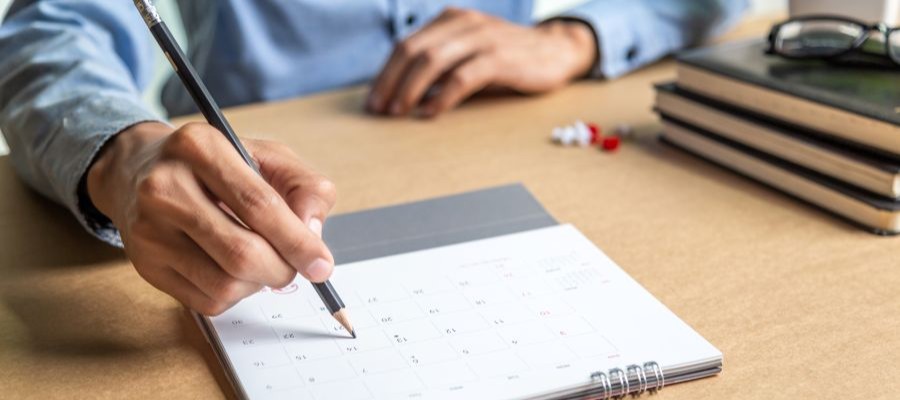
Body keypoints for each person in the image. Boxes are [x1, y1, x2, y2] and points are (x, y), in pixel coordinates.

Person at [0, 0, 747, 315]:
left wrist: (575, 35)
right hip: (247, 182)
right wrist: (122, 152)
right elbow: (51, 31)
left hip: (507, 145)